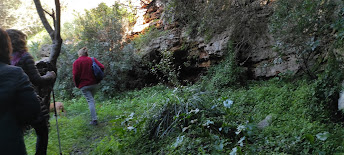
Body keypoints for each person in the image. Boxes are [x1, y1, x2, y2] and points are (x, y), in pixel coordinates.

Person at [6, 29, 56, 155]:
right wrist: (50, 75)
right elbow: (37, 80)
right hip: (30, 100)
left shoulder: (7, 60)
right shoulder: (25, 56)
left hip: (13, 104)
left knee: (19, 135)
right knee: (42, 132)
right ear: (20, 40)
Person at [0, 28, 42, 154]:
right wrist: (51, 76)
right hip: (9, 144)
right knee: (42, 131)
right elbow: (32, 109)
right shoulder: (14, 71)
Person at [73, 47, 104, 125]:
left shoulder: (76, 62)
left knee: (90, 101)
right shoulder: (92, 59)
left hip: (84, 85)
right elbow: (102, 67)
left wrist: (77, 84)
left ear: (80, 54)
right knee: (92, 100)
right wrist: (97, 78)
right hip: (94, 84)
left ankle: (94, 120)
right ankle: (94, 116)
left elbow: (75, 75)